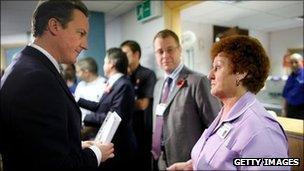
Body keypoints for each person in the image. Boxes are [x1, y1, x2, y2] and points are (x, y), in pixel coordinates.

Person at [0, 1, 114, 170]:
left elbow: (37, 145)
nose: (85, 45)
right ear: (54, 26)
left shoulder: (26, 65)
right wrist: (97, 152)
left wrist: (76, 146)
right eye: (81, 33)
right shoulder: (37, 78)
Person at [167, 35, 289, 170]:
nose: (209, 75)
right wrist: (189, 167)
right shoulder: (225, 113)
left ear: (241, 72)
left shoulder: (263, 131)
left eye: (217, 67)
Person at [151, 29, 221, 170]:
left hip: (187, 163)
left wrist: (199, 162)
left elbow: (215, 128)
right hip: (159, 160)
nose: (165, 55)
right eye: (160, 51)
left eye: (170, 49)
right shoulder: (158, 85)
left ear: (180, 50)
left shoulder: (198, 81)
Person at [77, 48, 138, 170]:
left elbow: (113, 118)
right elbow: (100, 107)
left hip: (121, 146)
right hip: (113, 144)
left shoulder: (123, 85)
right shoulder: (115, 83)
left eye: (105, 62)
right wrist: (77, 100)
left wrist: (84, 117)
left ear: (112, 63)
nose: (103, 65)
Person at [120, 40, 157, 170]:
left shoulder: (148, 74)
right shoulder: (123, 76)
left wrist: (121, 103)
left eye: (125, 54)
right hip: (125, 130)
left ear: (136, 54)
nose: (122, 57)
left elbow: (142, 105)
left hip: (142, 130)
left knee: (142, 164)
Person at [74, 57, 107, 124]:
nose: (76, 75)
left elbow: (101, 110)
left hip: (95, 124)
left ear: (86, 72)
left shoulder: (104, 84)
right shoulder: (80, 85)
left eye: (78, 72)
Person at [282, 53, 304, 119]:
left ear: (302, 62)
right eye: (291, 62)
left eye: (296, 62)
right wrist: (284, 110)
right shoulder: (290, 76)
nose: (293, 64)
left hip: (301, 110)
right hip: (290, 109)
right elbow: (285, 95)